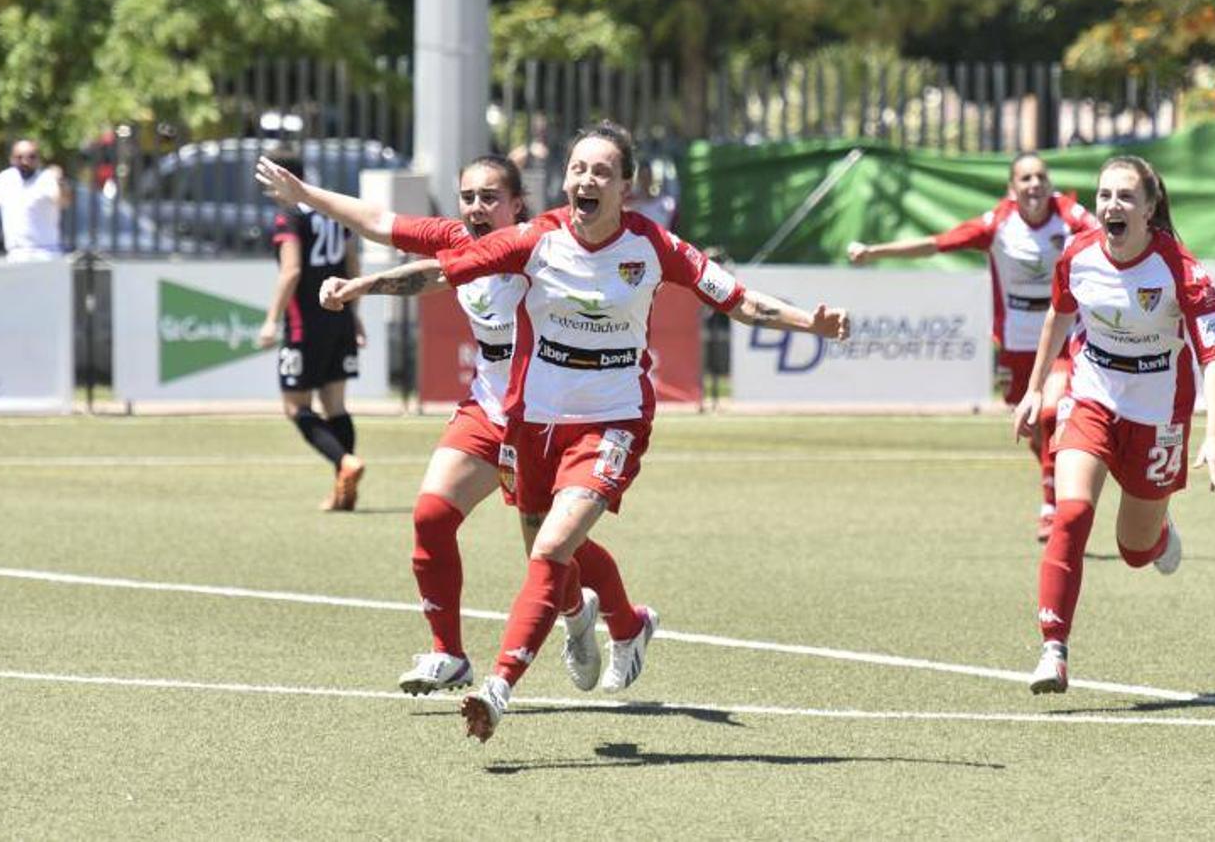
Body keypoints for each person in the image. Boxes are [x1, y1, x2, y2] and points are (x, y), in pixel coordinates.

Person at [321, 120, 850, 742]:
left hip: (612, 421)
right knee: (548, 546)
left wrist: (808, 323)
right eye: (578, 169)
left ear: (625, 187)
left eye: (601, 171)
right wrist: (364, 286)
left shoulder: (654, 246)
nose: (586, 179)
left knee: (550, 550)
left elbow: (735, 298)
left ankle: (497, 688)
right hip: (534, 422)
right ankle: (625, 623)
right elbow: (443, 271)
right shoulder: (537, 238)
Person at [255, 152, 643, 697]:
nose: (476, 208)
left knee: (553, 546)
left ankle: (617, 622)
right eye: (468, 197)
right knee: (432, 516)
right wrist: (307, 196)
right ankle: (449, 653)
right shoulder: (456, 239)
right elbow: (378, 221)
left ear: (517, 205)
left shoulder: (543, 246)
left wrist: (362, 285)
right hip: (488, 409)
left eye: (490, 198)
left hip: (545, 414)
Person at [1011, 154, 1215, 695]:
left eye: (1126, 196)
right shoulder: (1078, 255)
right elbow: (1059, 314)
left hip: (1158, 415)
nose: (1112, 205)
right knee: (1071, 513)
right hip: (1092, 397)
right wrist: (1036, 389)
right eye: (1105, 195)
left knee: (1134, 551)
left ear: (1150, 209)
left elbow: (1213, 355)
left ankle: (1159, 535)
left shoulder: (1181, 269)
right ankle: (1053, 649)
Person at [848, 153, 1101, 541]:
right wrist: (875, 252)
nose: (1034, 184)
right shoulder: (998, 224)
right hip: (1016, 342)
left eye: (1040, 177)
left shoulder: (1070, 216)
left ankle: (1052, 505)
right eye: (1026, 178)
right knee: (1032, 427)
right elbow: (937, 244)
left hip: (1064, 338)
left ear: (1049, 183)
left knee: (1051, 412)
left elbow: (1112, 236)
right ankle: (1051, 482)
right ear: (1012, 188)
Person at [255, 150, 366, 512]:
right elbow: (352, 264)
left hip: (306, 324)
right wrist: (355, 315)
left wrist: (271, 320)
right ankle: (343, 487)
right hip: (339, 316)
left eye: (269, 179)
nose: (267, 188)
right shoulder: (331, 212)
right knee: (335, 405)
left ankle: (345, 462)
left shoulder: (289, 217)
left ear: (284, 178)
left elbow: (291, 271)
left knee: (295, 406)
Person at [0, 139, 71, 262]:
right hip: (16, 255)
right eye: (19, 157)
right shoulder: (5, 179)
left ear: (38, 159)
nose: (25, 161)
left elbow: (64, 202)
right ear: (12, 159)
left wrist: (60, 182)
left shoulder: (47, 179)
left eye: (31, 157)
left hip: (45, 254)